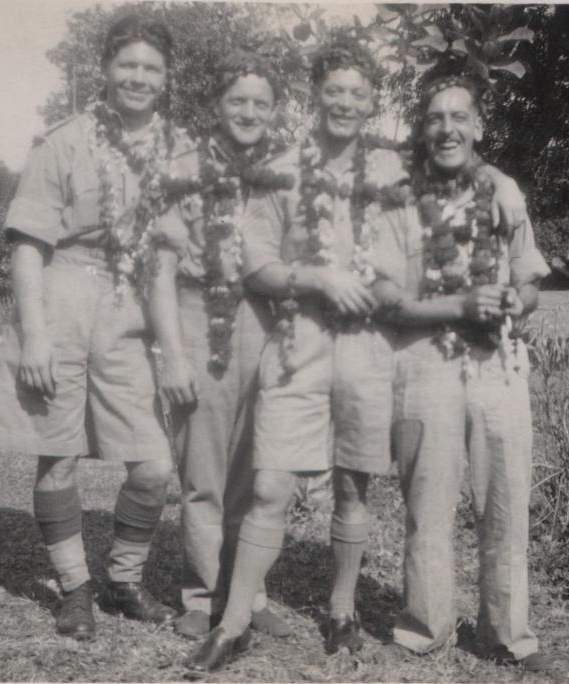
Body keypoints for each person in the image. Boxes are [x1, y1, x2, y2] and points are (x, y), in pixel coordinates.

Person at [183, 36, 413, 672]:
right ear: (315, 94)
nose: (344, 102)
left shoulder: (394, 174)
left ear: (372, 102)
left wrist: (381, 288)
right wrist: (315, 279)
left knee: (353, 483)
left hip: (368, 346)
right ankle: (231, 624)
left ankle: (342, 612)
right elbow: (253, 262)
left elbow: (410, 261)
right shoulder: (281, 166)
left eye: (357, 93)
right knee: (271, 483)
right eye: (333, 89)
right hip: (297, 342)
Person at [0, 15, 183, 641]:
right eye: (128, 65)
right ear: (106, 69)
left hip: (131, 311)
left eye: (151, 68)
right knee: (58, 454)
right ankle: (75, 588)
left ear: (166, 77)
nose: (138, 78)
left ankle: (124, 579)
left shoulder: (180, 151)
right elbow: (27, 246)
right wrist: (34, 334)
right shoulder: (62, 142)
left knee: (153, 465)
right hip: (62, 298)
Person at [369, 72, 558, 673]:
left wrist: (513, 300)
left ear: (478, 126)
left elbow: (530, 279)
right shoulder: (398, 198)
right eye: (434, 118)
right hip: (424, 363)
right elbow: (386, 300)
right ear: (421, 130)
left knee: (505, 501)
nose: (447, 129)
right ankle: (425, 628)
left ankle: (506, 634)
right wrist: (459, 306)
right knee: (428, 504)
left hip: (497, 362)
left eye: (459, 118)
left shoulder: (505, 192)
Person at [149, 51, 294, 641]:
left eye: (261, 103)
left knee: (253, 468)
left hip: (263, 321)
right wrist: (173, 354)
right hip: (196, 315)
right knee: (203, 470)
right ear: (217, 105)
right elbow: (158, 270)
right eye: (238, 100)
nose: (249, 112)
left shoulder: (286, 172)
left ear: (275, 111)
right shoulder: (180, 167)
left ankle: (248, 592)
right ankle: (201, 594)